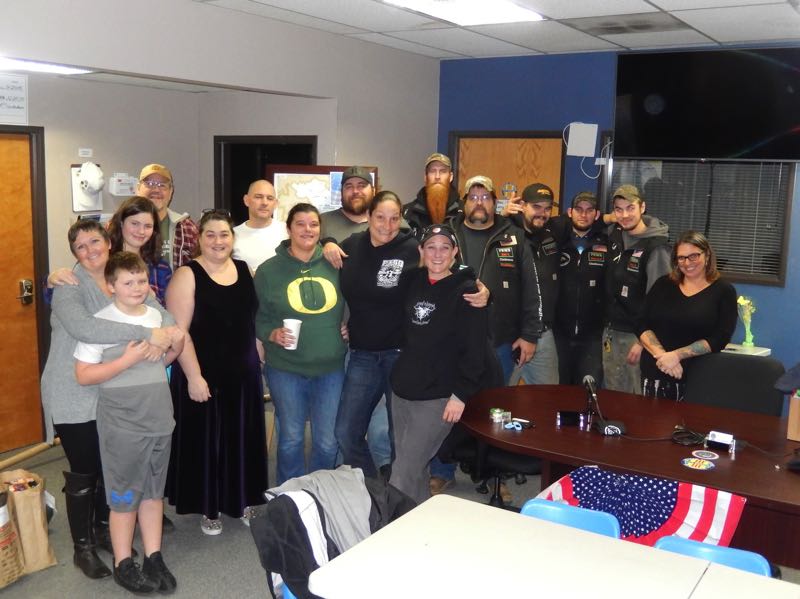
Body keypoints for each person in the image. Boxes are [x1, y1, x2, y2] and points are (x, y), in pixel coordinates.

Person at [40, 219, 178, 581]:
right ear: (74, 255)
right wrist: (148, 333)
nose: (90, 250)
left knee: (111, 469)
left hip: (113, 388)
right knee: (84, 469)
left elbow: (164, 315)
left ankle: (105, 531)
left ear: (108, 241)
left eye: (95, 241)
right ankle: (82, 548)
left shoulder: (124, 276)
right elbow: (88, 329)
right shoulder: (69, 286)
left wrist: (160, 330)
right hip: (75, 389)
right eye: (80, 247)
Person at [74, 252, 183, 594]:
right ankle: (123, 562)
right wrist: (128, 359)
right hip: (122, 422)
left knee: (153, 493)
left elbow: (170, 354)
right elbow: (84, 375)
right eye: (127, 282)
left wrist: (169, 346)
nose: (136, 288)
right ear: (111, 287)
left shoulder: (156, 316)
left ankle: (153, 555)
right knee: (124, 496)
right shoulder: (101, 323)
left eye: (140, 281)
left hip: (159, 417)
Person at [431, 175, 542, 495]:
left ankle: (497, 477)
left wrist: (530, 334)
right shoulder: (447, 235)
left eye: (485, 197)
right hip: (452, 343)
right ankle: (443, 470)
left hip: (500, 341)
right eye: (473, 197)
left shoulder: (514, 237)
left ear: (495, 202)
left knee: (496, 413)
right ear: (463, 202)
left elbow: (531, 290)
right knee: (447, 408)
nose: (479, 203)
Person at [166, 210, 267, 535]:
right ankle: (209, 508)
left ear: (232, 238)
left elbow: (247, 317)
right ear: (199, 238)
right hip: (203, 374)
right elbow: (181, 332)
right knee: (208, 443)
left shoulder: (244, 270)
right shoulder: (187, 274)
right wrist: (194, 377)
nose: (217, 241)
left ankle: (243, 500)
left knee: (242, 439)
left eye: (224, 234)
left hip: (243, 375)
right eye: (210, 234)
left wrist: (257, 345)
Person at [389, 224, 496, 505]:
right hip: (402, 390)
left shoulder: (468, 293)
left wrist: (460, 396)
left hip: (439, 397)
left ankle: (384, 530)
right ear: (421, 251)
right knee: (413, 468)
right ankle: (417, 527)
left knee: (401, 473)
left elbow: (475, 353)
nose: (437, 254)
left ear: (455, 252)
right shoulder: (411, 280)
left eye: (445, 248)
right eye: (431, 247)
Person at [255, 203, 347, 485]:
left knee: (328, 442)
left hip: (330, 367)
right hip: (286, 368)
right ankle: (291, 498)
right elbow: (258, 317)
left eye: (314, 225)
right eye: (301, 224)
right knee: (290, 439)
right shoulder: (268, 271)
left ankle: (320, 495)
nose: (308, 230)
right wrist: (272, 334)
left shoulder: (337, 264)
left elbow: (361, 302)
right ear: (289, 228)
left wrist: (351, 327)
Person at [638, 231, 737, 400]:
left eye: (693, 256)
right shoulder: (663, 284)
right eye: (681, 258)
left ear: (707, 255)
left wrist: (676, 355)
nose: (687, 263)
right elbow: (640, 323)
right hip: (656, 371)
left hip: (698, 376)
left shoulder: (723, 291)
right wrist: (663, 357)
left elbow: (720, 337)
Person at [603, 184, 671, 394]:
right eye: (618, 209)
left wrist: (645, 343)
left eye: (630, 208)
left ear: (642, 207)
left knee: (636, 400)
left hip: (637, 338)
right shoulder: (614, 235)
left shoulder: (656, 246)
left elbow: (661, 301)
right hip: (611, 333)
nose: (624, 215)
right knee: (614, 396)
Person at [505, 183, 563, 386]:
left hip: (543, 333)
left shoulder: (552, 231)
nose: (543, 213)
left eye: (547, 208)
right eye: (536, 206)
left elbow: (588, 220)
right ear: (522, 205)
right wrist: (501, 215)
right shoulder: (505, 233)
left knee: (548, 403)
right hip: (511, 336)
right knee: (496, 402)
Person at [553, 191, 609, 386]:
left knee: (588, 393)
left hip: (592, 336)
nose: (583, 215)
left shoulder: (608, 244)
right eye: (578, 209)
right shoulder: (555, 242)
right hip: (558, 334)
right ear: (569, 212)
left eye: (589, 210)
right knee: (557, 393)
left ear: (597, 215)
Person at [107, 196, 172, 305]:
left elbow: (167, 313)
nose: (141, 231)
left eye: (148, 226)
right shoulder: (102, 263)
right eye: (135, 224)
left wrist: (151, 298)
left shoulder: (161, 268)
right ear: (121, 223)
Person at [136, 163, 198, 271]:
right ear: (138, 189)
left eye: (162, 185)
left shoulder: (187, 228)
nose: (156, 190)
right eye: (149, 183)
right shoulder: (121, 224)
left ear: (171, 192)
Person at [232, 179, 287, 274]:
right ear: (246, 200)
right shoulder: (232, 235)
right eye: (258, 197)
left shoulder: (288, 231)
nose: (264, 203)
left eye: (270, 198)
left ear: (276, 203)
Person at [402, 152, 462, 235]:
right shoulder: (408, 213)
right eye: (432, 171)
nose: (437, 176)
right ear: (425, 177)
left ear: (451, 177)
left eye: (443, 171)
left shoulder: (462, 212)